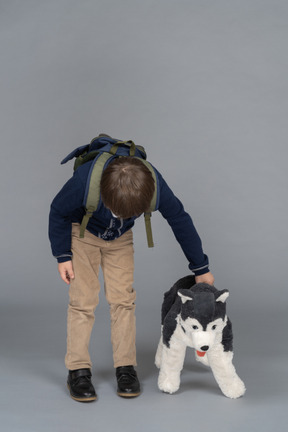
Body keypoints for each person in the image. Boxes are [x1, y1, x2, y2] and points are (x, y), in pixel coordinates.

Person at [49, 142, 215, 402]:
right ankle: (78, 369)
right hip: (83, 234)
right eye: (115, 211)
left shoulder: (155, 185)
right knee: (83, 302)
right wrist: (63, 255)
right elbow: (58, 211)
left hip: (120, 237)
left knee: (123, 301)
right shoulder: (85, 180)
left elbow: (180, 219)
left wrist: (201, 268)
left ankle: (125, 367)